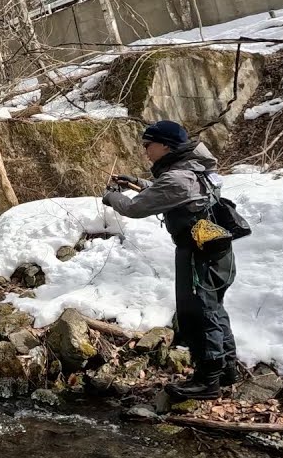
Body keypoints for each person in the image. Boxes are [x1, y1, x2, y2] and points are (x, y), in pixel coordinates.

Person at [101, 120, 238, 400]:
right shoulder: (195, 168)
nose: (145, 151)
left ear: (165, 145)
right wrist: (138, 183)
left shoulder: (177, 178)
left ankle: (206, 382)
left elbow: (135, 208)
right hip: (216, 251)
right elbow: (171, 191)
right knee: (213, 310)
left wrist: (111, 197)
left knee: (197, 315)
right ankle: (225, 371)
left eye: (148, 145)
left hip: (196, 255)